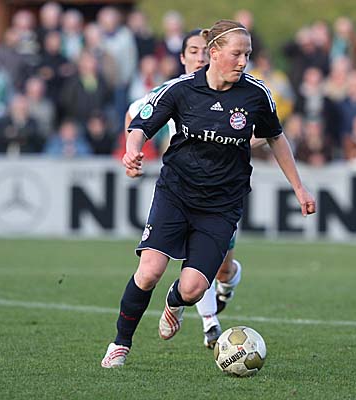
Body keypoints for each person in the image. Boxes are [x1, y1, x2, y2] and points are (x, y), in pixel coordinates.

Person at [101, 20, 316, 368]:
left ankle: (174, 302)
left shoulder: (256, 94)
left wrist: (299, 187)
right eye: (236, 54)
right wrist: (133, 150)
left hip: (221, 205)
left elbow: (275, 137)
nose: (243, 61)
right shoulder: (181, 90)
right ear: (214, 53)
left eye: (247, 54)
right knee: (150, 270)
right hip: (176, 194)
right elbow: (140, 124)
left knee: (192, 289)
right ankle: (120, 344)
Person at [121, 29, 244, 350]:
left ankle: (228, 282)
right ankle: (210, 323)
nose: (200, 57)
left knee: (222, 268)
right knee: (176, 265)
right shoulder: (173, 89)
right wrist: (133, 154)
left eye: (205, 51)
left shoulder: (237, 92)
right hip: (181, 188)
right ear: (182, 57)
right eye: (193, 51)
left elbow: (263, 133)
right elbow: (134, 114)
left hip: (221, 190)